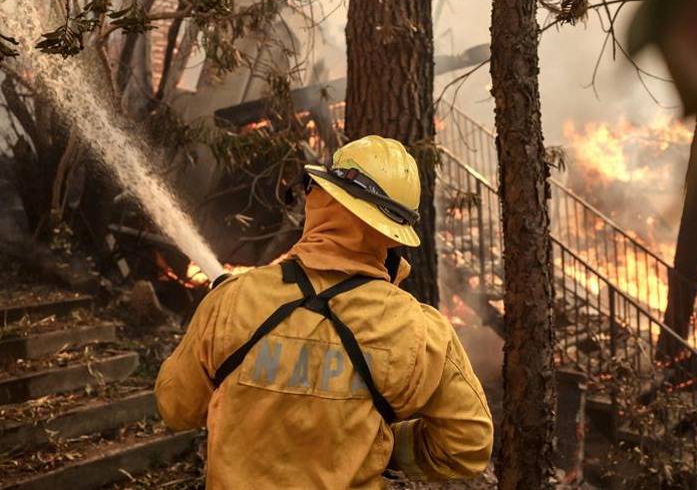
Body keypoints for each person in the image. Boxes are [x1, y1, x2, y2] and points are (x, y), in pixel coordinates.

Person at [155, 135, 493, 489]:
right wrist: (384, 447)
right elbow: (468, 444)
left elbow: (176, 407)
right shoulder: (418, 330)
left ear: (320, 198)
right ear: (395, 235)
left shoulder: (233, 300)